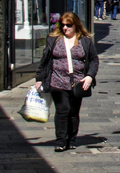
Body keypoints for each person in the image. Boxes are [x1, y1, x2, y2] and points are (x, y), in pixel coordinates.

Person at [34, 12, 99, 152]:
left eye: (68, 25)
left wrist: (89, 76)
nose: (65, 28)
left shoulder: (85, 41)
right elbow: (44, 60)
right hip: (57, 81)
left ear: (75, 25)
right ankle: (61, 140)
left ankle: (72, 139)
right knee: (63, 110)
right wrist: (39, 78)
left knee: (74, 112)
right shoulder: (54, 39)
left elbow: (94, 60)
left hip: (78, 82)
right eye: (62, 25)